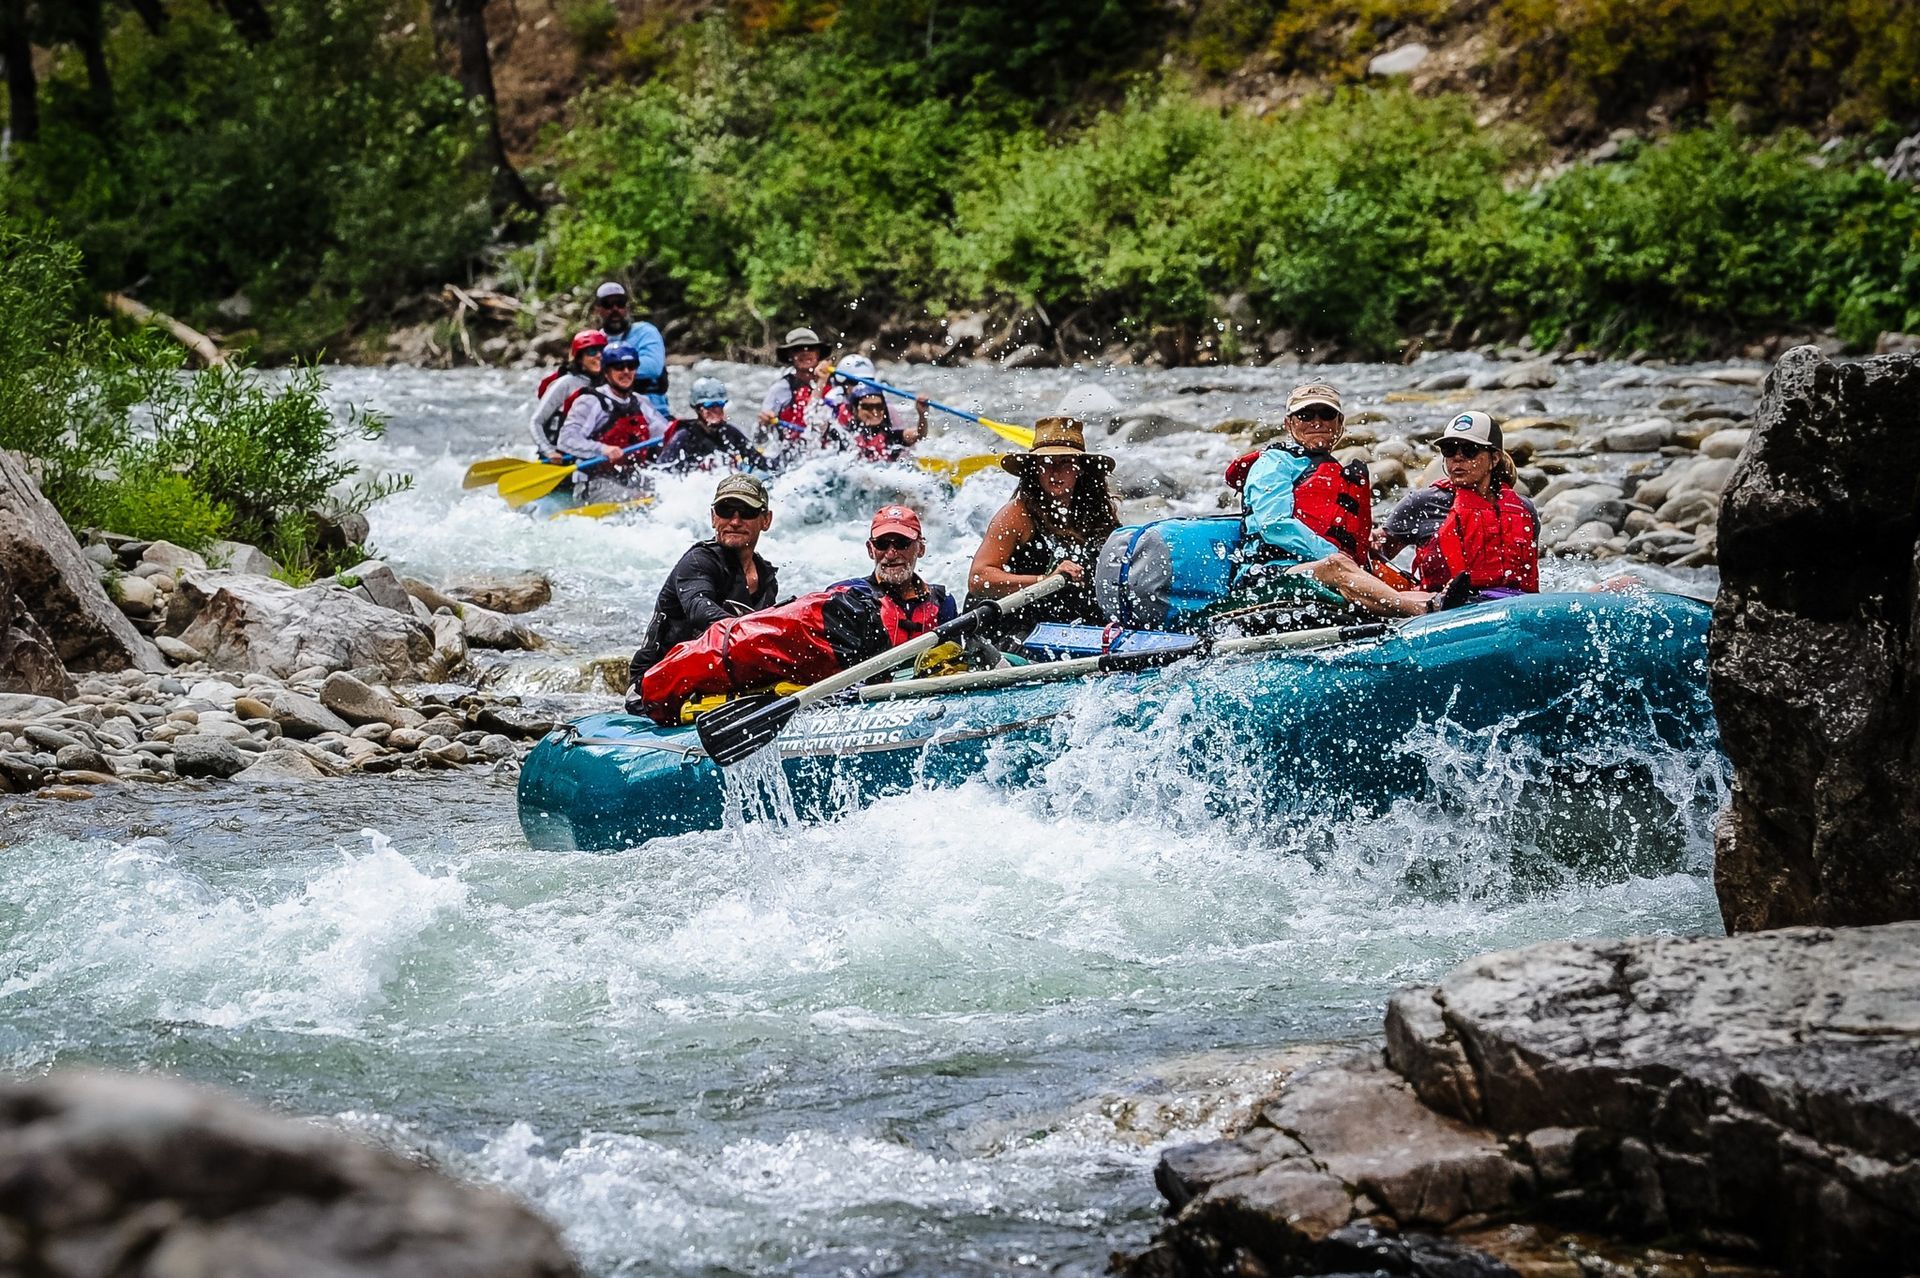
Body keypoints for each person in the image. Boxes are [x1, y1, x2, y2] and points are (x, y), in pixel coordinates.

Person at [1301, 411, 1538, 616]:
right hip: (1447, 610)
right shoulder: (1422, 503)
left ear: (1494, 458)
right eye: (1449, 449)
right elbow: (1375, 556)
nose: (1457, 457)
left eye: (1469, 450)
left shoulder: (1523, 509)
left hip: (1514, 605)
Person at [967, 416, 1119, 644]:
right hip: (1016, 628)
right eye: (1046, 462)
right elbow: (979, 579)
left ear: (1080, 469)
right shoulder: (1017, 515)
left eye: (1065, 462)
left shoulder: (1098, 514)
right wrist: (1045, 579)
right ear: (1034, 469)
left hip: (1073, 626)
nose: (1054, 472)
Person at [628, 475, 780, 687]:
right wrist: (752, 634)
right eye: (725, 511)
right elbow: (699, 608)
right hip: (657, 685)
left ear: (766, 520)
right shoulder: (697, 562)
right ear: (713, 517)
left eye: (746, 512)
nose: (735, 521)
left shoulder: (767, 579)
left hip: (718, 680)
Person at [1231, 382, 1373, 567]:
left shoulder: (1338, 472)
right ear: (1289, 424)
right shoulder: (1275, 462)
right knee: (1342, 572)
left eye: (1327, 414)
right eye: (1305, 415)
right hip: (1273, 570)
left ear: (1340, 423)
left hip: (1333, 568)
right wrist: (1335, 557)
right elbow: (1273, 525)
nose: (1317, 422)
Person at [557, 343, 673, 500]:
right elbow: (566, 439)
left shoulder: (640, 402)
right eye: (618, 367)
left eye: (630, 366)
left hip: (629, 476)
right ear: (606, 371)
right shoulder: (591, 401)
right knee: (642, 498)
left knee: (669, 490)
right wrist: (603, 449)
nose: (626, 372)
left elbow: (665, 433)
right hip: (594, 482)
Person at [588, 282, 670, 420]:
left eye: (620, 303)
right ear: (598, 309)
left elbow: (653, 367)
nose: (615, 309)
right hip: (611, 417)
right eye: (608, 304)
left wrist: (610, 369)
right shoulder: (595, 340)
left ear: (626, 308)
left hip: (655, 414)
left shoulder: (646, 332)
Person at [655, 378, 772, 473]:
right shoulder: (684, 436)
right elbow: (662, 472)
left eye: (720, 404)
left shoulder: (730, 433)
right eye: (710, 405)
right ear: (698, 409)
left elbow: (761, 462)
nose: (716, 410)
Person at [823, 354, 927, 459]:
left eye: (878, 407)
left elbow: (918, 435)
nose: (875, 411)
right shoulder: (839, 426)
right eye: (867, 407)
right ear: (854, 409)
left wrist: (922, 415)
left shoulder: (889, 433)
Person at [528, 330, 606, 460]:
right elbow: (535, 422)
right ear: (580, 358)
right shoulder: (566, 383)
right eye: (592, 351)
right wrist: (548, 451)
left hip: (588, 453)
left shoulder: (608, 384)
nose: (599, 356)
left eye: (602, 351)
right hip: (558, 456)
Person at [757, 326, 832, 448]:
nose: (805, 352)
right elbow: (760, 439)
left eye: (811, 348)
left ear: (818, 353)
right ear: (790, 355)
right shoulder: (780, 389)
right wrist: (764, 425)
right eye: (798, 349)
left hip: (829, 453)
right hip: (794, 453)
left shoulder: (834, 382)